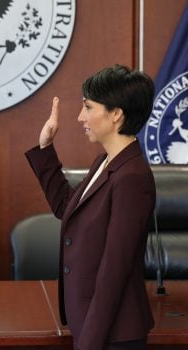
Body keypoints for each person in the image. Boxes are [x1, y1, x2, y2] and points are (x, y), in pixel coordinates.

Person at [25, 65, 156, 350]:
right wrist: (45, 148)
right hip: (91, 322)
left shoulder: (132, 177)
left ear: (116, 115)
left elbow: (115, 269)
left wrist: (90, 342)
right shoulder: (105, 162)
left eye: (88, 107)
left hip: (112, 333)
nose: (80, 117)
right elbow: (66, 207)